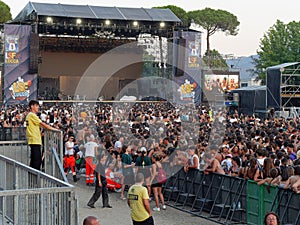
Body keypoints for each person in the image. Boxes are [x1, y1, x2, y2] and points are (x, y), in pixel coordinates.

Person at [26, 100, 60, 171]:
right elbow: (43, 124)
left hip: (35, 140)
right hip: (34, 140)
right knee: (36, 162)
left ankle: (33, 179)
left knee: (35, 160)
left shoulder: (30, 115)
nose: (38, 107)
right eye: (36, 106)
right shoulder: (31, 115)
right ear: (32, 106)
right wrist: (54, 129)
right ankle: (34, 179)